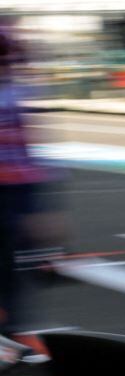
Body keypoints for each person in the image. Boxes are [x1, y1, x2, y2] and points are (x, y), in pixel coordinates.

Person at [0, 25, 63, 341]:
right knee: (10, 267)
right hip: (17, 188)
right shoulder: (18, 93)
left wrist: (44, 210)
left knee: (10, 267)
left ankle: (9, 329)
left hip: (18, 187)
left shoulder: (19, 93)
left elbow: (30, 145)